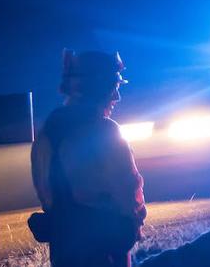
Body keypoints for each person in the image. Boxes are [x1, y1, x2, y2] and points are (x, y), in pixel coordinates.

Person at [30, 50, 147, 267]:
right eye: (114, 88)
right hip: (106, 254)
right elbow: (129, 192)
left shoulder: (45, 135)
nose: (116, 97)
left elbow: (46, 196)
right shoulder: (105, 132)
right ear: (98, 87)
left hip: (64, 252)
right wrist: (133, 223)